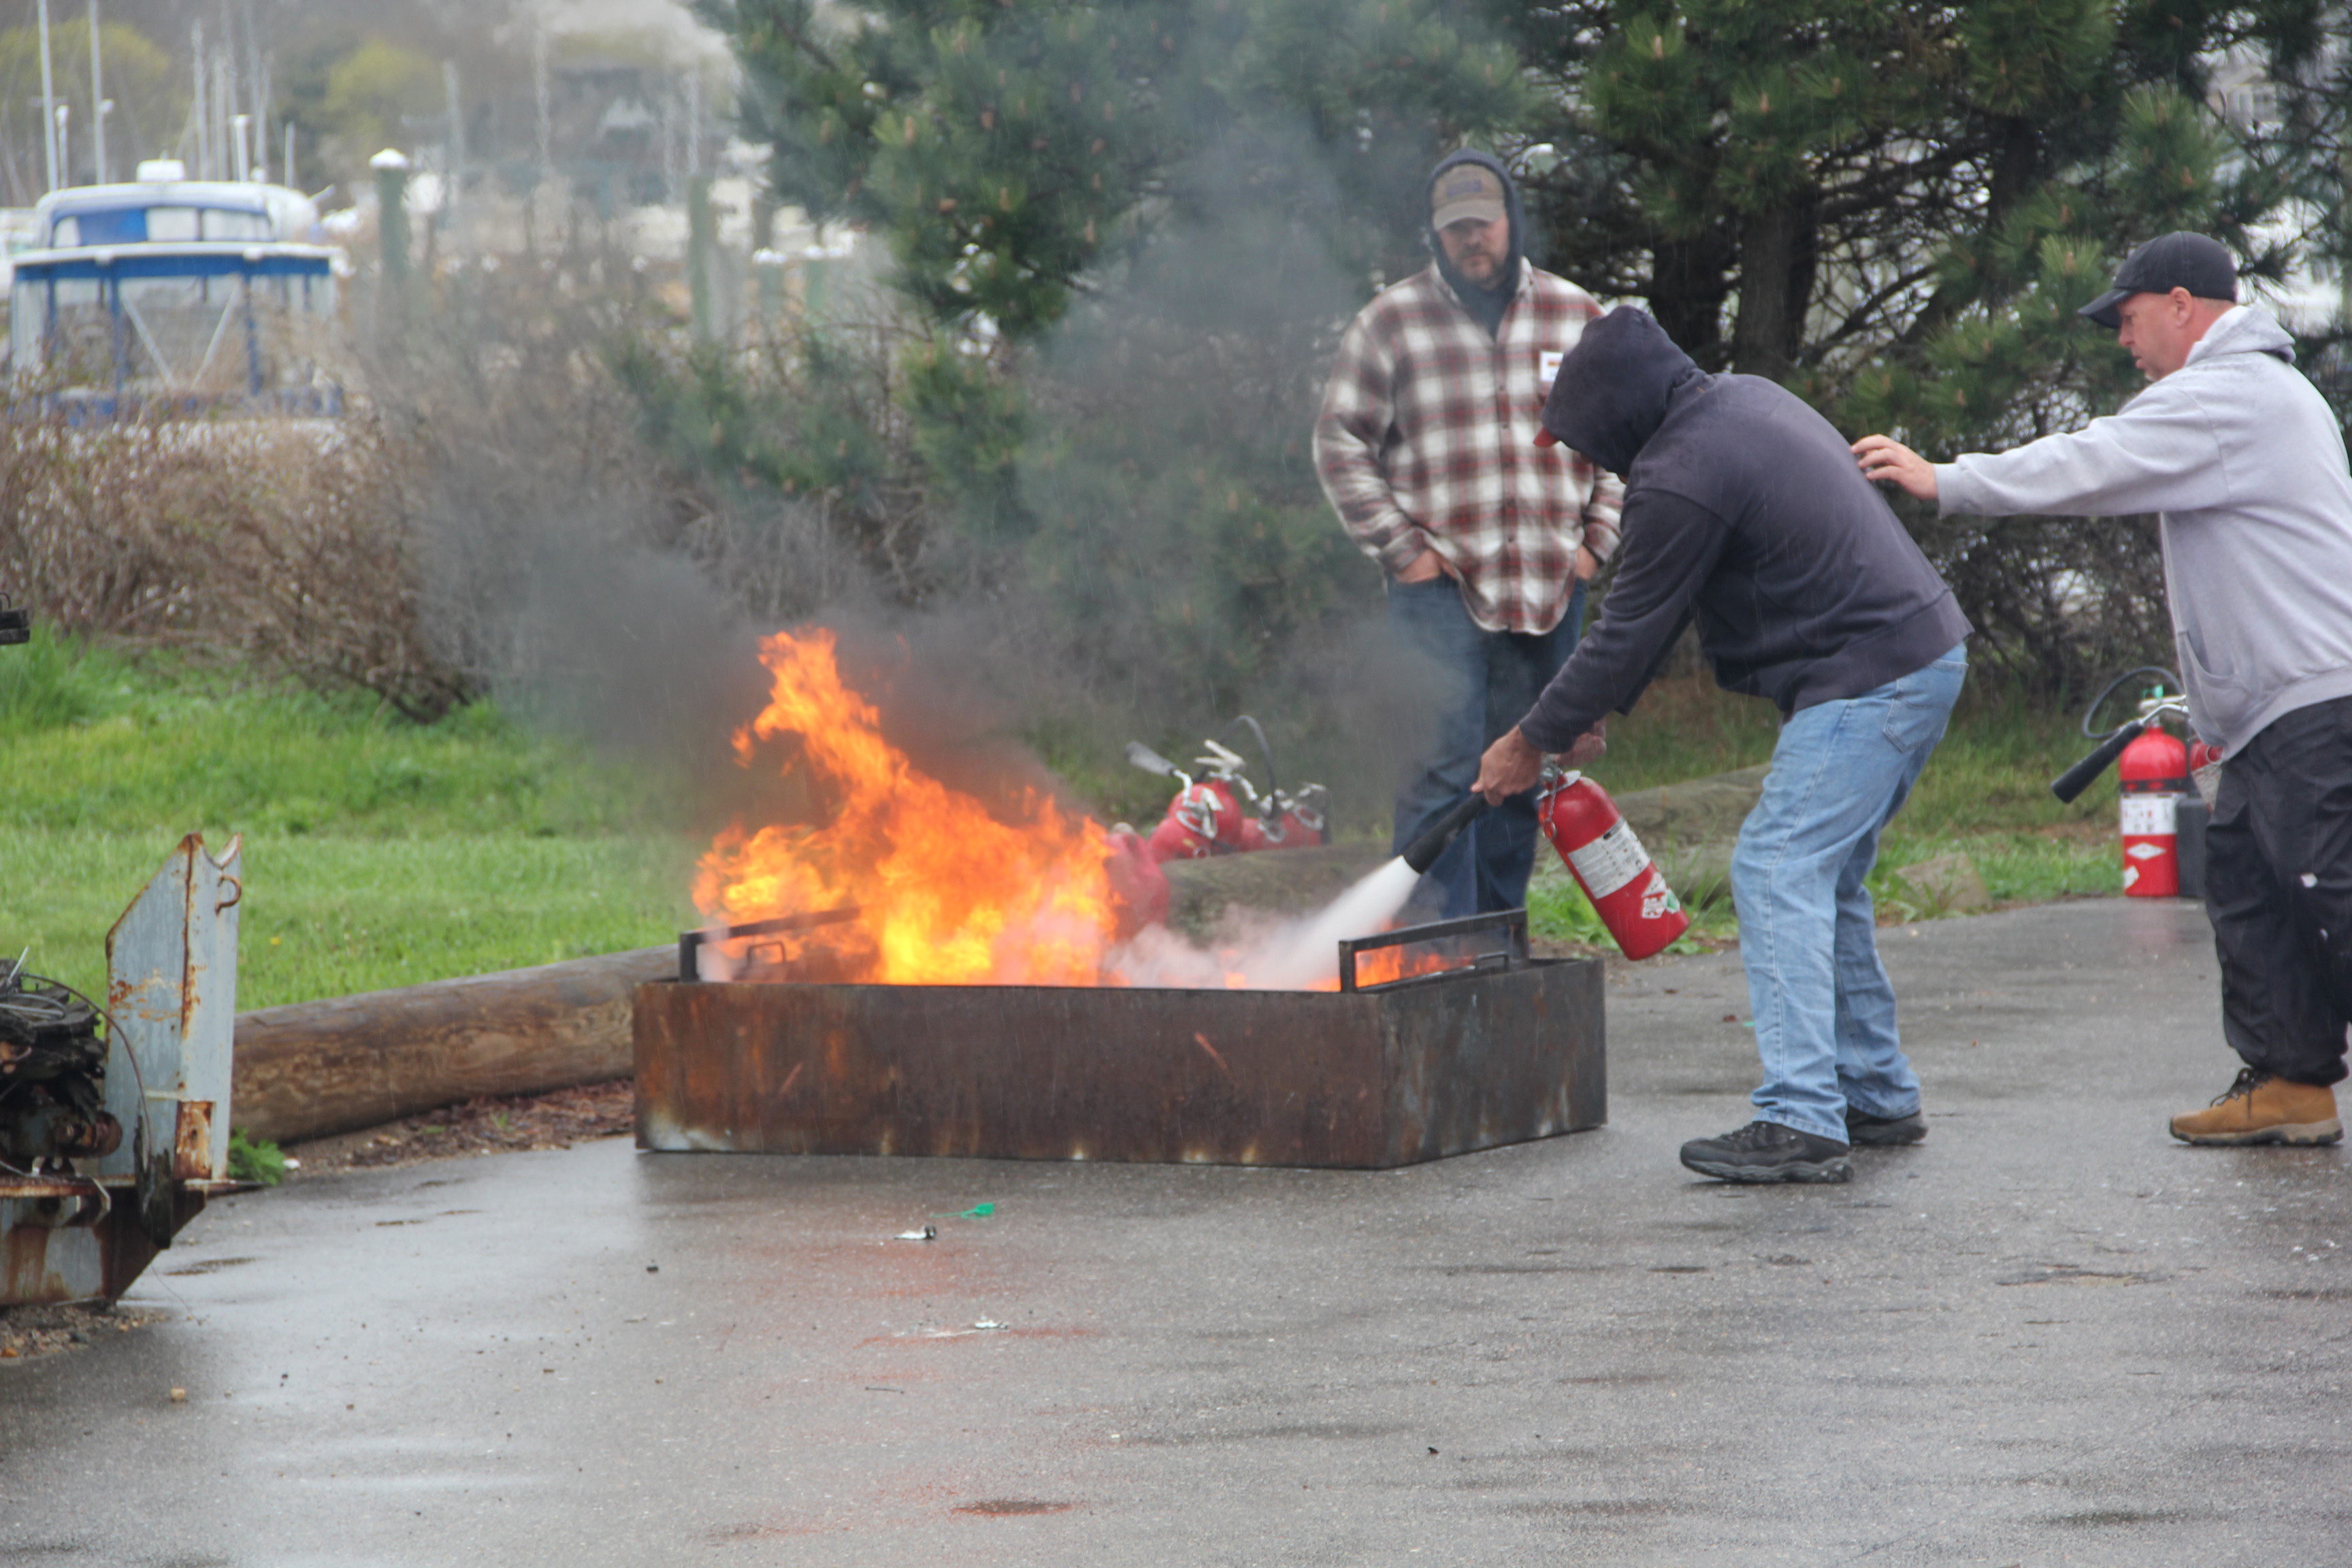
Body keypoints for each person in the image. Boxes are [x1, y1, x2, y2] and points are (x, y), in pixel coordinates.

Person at [1855, 231, 2352, 1149]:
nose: (2124, 342)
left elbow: (2092, 462)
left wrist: (1949, 481)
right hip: (2271, 708)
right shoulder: (2246, 392)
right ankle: (2291, 1084)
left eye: (2127, 320)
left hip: (2313, 700)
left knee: (2331, 893)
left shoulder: (2231, 391)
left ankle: (2293, 1078)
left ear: (2179, 304)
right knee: (2246, 888)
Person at [1475, 306, 1972, 1183]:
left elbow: (1626, 629)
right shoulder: (1741, 402)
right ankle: (1876, 1095)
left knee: (1776, 866)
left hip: (1870, 675)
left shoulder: (1681, 468)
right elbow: (1663, 605)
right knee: (1828, 876)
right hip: (1918, 654)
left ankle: (1802, 1119)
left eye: (1588, 440)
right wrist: (1589, 712)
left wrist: (1531, 739)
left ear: (1619, 410)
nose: (1588, 461)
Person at [1314, 150, 1623, 919]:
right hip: (1438, 595)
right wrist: (1405, 554)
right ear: (1435, 235)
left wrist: (1596, 545)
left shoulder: (1575, 315)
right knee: (1439, 777)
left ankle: (1496, 953)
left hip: (1550, 591)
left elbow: (1627, 434)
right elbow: (1339, 443)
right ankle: (1433, 966)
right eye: (1454, 230)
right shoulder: (1390, 323)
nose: (1471, 240)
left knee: (1520, 777)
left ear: (1511, 218)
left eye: (1481, 223)